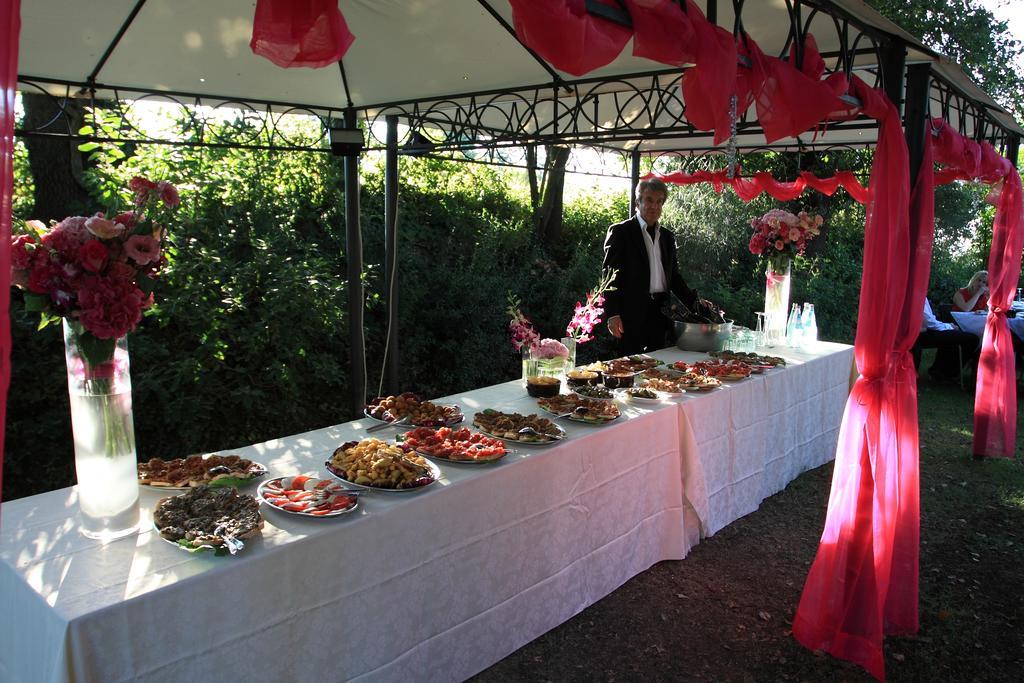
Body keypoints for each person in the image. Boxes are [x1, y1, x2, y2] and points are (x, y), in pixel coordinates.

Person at [602, 178, 698, 355]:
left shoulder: (667, 237)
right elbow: (609, 277)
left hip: (661, 311)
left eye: (659, 201)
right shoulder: (621, 232)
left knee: (659, 368)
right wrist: (612, 314)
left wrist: (696, 304)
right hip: (630, 312)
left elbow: (674, 277)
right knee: (629, 366)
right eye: (649, 200)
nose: (654, 206)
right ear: (638, 202)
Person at [916, 298, 980, 382]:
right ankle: (947, 373)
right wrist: (949, 326)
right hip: (921, 333)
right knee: (971, 339)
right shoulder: (917, 295)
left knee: (958, 336)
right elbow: (929, 322)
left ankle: (941, 371)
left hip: (921, 331)